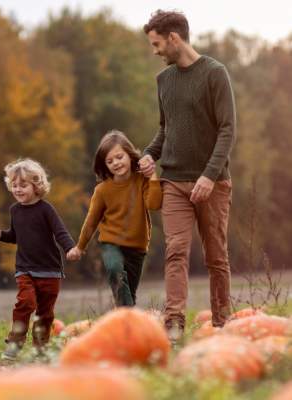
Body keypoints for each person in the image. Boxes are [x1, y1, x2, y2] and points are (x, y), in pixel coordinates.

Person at [140, 10, 236, 341]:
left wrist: (209, 176)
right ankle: (175, 324)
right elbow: (166, 129)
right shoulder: (163, 80)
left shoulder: (215, 74)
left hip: (212, 184)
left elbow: (227, 129)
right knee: (176, 250)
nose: (155, 51)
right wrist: (149, 154)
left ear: (174, 38)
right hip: (174, 183)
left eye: (156, 44)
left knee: (215, 256)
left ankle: (223, 323)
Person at [67, 130, 162, 307]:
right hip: (111, 244)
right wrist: (80, 247)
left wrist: (153, 177)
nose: (116, 163)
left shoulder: (141, 180)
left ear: (130, 154)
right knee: (114, 270)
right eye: (109, 161)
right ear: (104, 165)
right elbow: (91, 222)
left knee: (129, 294)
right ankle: (127, 315)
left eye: (119, 157)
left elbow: (154, 205)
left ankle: (127, 322)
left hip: (137, 247)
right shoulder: (103, 190)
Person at [0, 158, 75, 360]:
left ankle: (40, 350)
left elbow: (60, 232)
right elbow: (15, 236)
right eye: (14, 185)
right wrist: (0, 234)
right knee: (25, 302)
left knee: (45, 314)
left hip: (50, 270)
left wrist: (70, 248)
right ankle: (14, 344)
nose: (18, 189)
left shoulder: (46, 210)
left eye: (23, 185)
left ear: (37, 186)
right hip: (25, 269)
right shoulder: (14, 210)